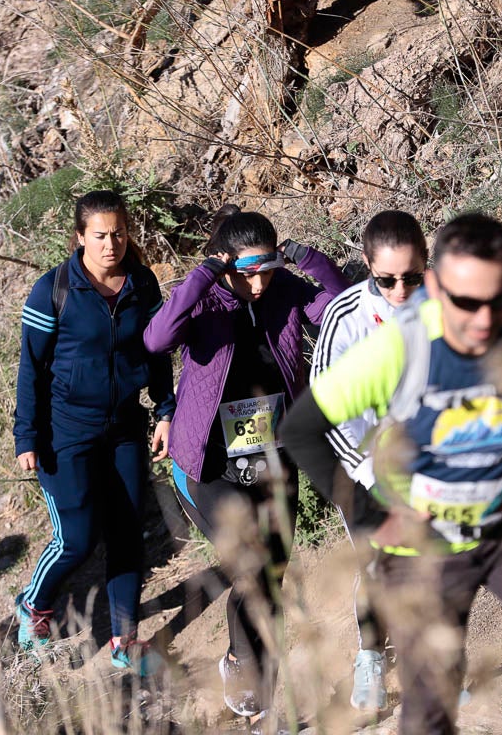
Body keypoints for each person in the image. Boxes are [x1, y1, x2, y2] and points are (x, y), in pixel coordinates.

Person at [281, 212, 502, 734]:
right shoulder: (399, 348)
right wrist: (370, 516)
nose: (483, 320)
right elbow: (301, 430)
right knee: (431, 703)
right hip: (421, 547)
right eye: (465, 303)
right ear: (435, 288)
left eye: (498, 300)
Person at [143, 205, 349, 732]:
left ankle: (256, 679)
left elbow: (340, 309)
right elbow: (157, 338)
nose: (257, 284)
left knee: (272, 572)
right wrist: (205, 274)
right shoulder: (206, 301)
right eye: (246, 272)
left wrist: (311, 261)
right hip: (207, 465)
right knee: (253, 567)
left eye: (267, 269)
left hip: (272, 458)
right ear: (226, 264)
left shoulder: (284, 292)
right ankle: (252, 678)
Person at [12, 190, 176, 674]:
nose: (111, 244)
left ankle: (124, 643)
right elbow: (31, 368)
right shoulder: (53, 291)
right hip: (65, 433)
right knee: (77, 540)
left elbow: (157, 352)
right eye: (101, 236)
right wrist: (27, 436)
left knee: (127, 536)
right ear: (80, 237)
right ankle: (33, 607)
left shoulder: (142, 285)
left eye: (119, 233)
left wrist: (164, 409)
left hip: (125, 427)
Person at [309, 209, 428, 712]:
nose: (401, 289)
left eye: (412, 276)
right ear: (365, 266)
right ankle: (371, 658)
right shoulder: (345, 316)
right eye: (386, 279)